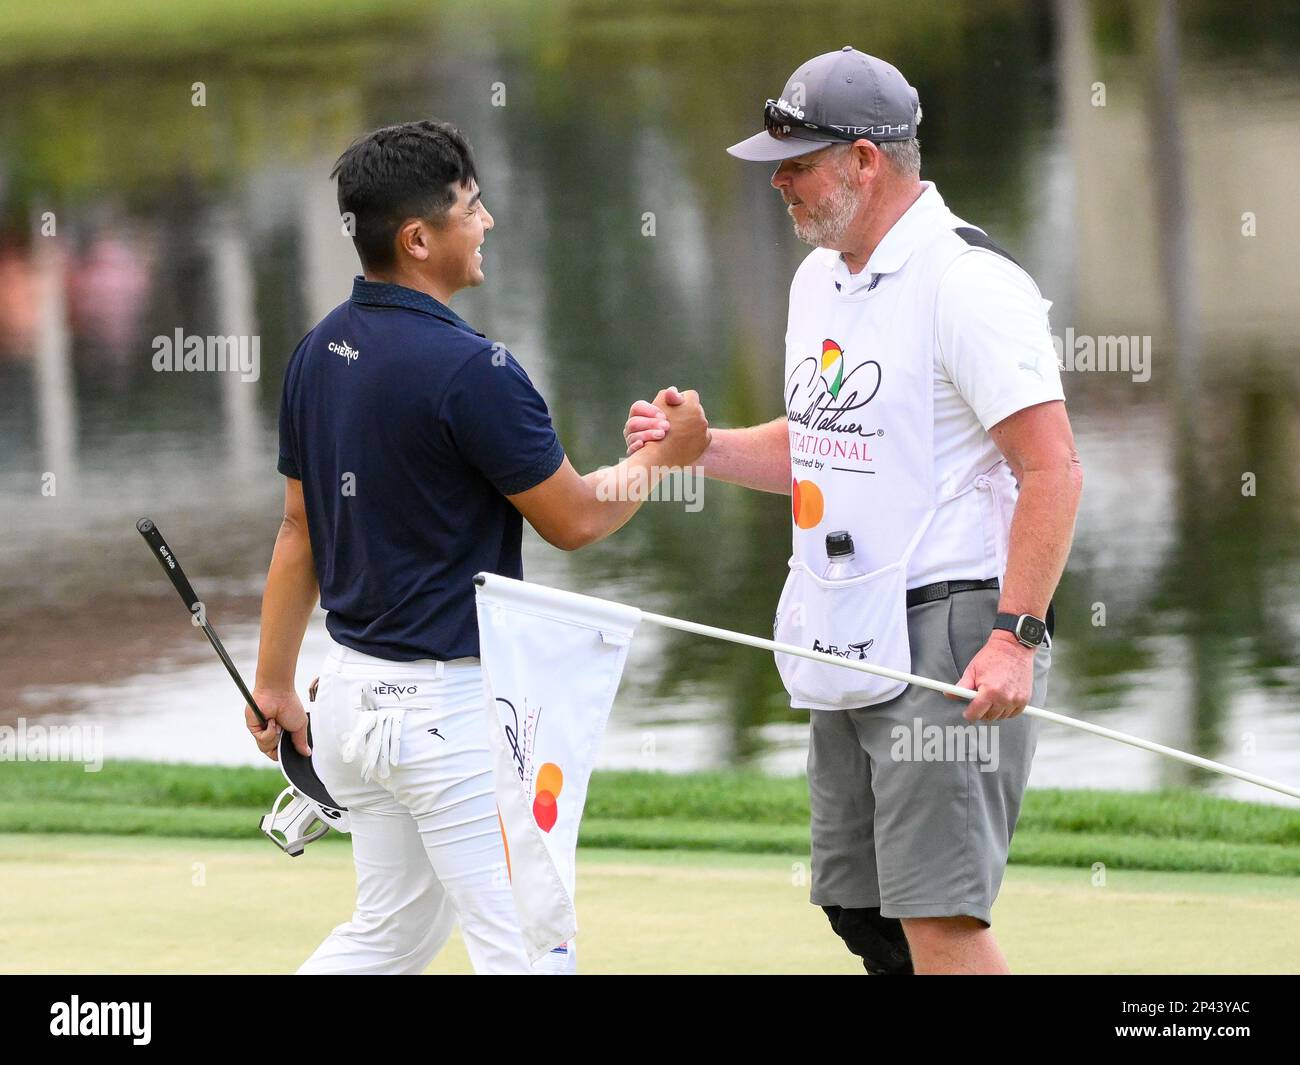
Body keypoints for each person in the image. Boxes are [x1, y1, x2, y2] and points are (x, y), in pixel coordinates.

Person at [625, 49, 1083, 975]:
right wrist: (703, 449)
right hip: (846, 624)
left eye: (797, 162)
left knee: (938, 915)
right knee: (859, 906)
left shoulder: (969, 283)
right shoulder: (819, 280)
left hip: (952, 630)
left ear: (865, 160)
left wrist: (1016, 637)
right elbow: (822, 443)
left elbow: (1054, 468)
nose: (779, 183)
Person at [245, 119, 709, 975]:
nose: (488, 220)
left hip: (349, 702)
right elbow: (573, 518)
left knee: (388, 938)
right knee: (530, 954)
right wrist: (660, 459)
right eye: (471, 206)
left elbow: (297, 530)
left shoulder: (316, 354)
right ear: (419, 239)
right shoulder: (476, 370)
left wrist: (274, 681)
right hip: (447, 721)